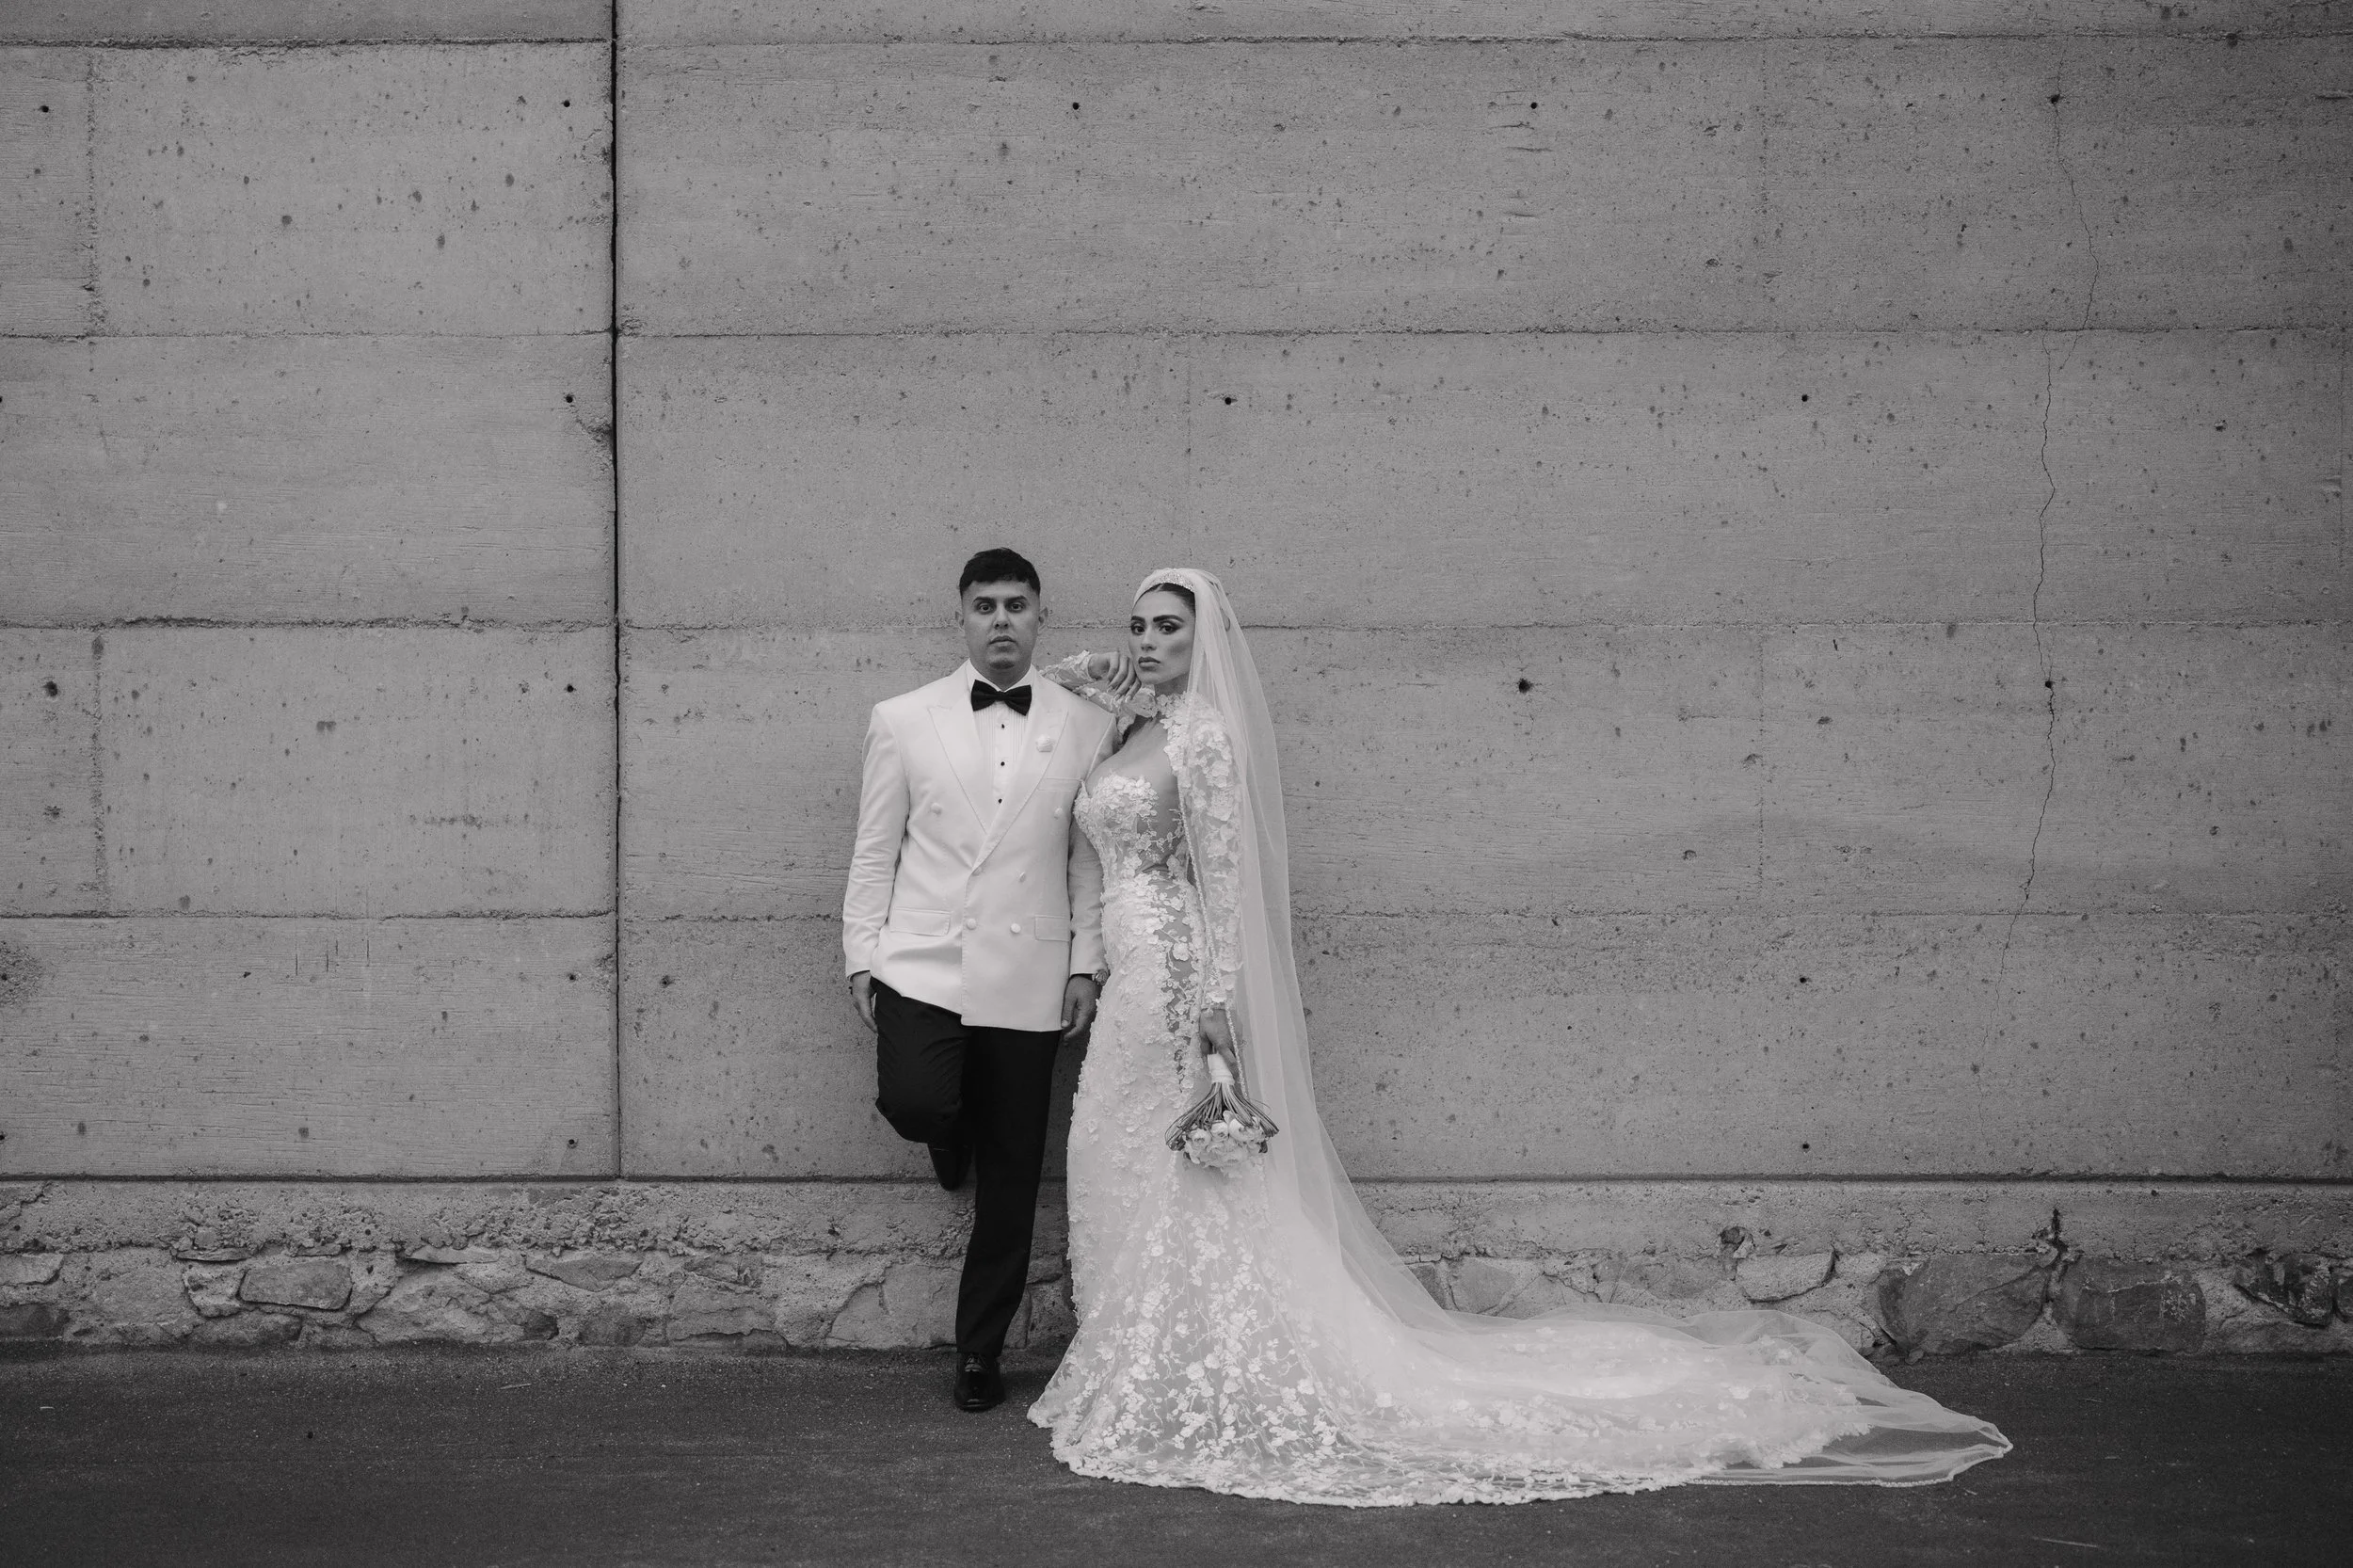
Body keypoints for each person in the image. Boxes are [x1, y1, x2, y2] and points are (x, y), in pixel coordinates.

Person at [1027, 568, 2010, 1505]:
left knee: (1191, 1173)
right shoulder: (1135, 725)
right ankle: (1155, 1350)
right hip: (1124, 984)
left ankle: (1206, 1364)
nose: (1148, 640)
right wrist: (1097, 689)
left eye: (1169, 625)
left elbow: (1228, 885)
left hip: (1172, 987)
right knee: (1123, 1165)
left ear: (1205, 642)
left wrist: (1217, 1003)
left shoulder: (1203, 737)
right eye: (1139, 624)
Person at [843, 548, 1119, 1413]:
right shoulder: (903, 718)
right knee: (921, 1102)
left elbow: (1087, 859)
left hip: (1031, 969)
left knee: (1012, 1172)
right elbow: (874, 848)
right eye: (985, 606)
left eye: (1017, 605)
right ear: (961, 617)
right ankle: (943, 1134)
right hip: (922, 961)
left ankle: (979, 1350)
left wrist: (1085, 962)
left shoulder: (1085, 722)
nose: (1001, 620)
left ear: (1040, 617)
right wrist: (861, 953)